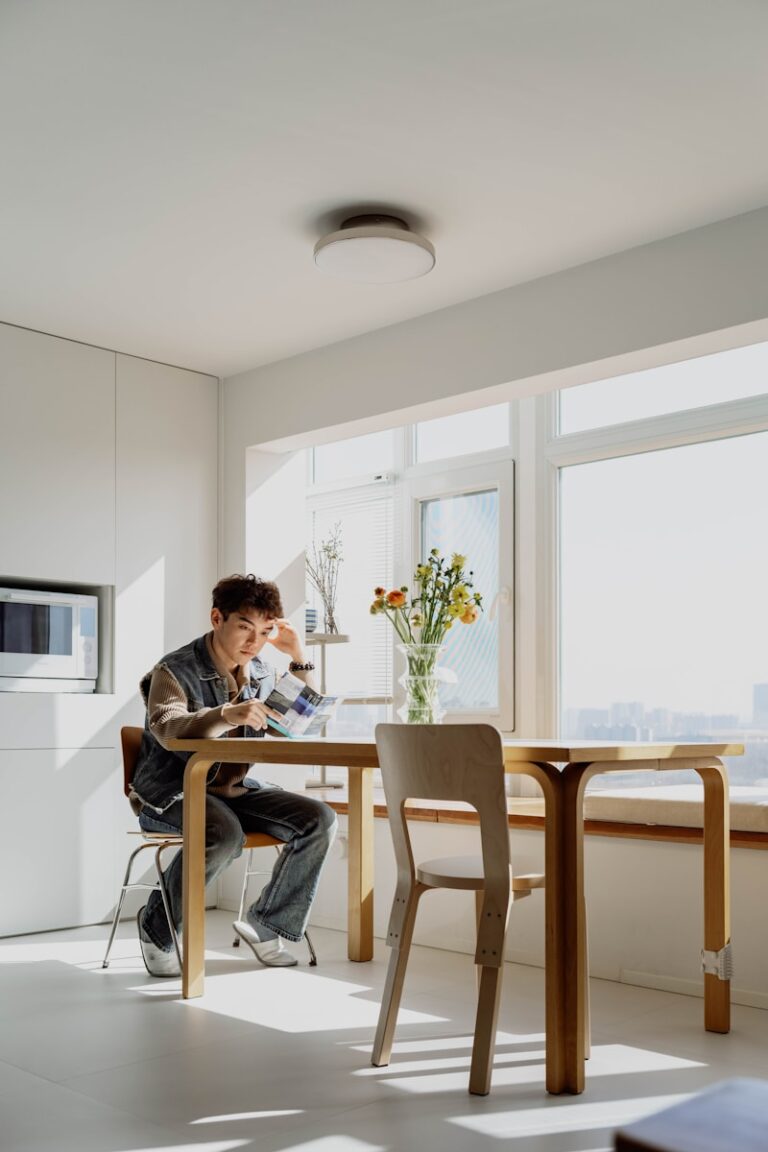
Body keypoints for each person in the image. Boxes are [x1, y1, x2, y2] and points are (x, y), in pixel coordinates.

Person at [130, 573, 337, 977]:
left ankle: (265, 923)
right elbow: (169, 728)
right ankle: (156, 927)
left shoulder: (259, 671)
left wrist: (298, 655)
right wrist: (225, 715)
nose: (253, 642)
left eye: (264, 632)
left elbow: (300, 722)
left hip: (231, 791)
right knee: (223, 833)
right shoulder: (172, 670)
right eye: (244, 627)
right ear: (216, 618)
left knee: (319, 819)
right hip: (170, 793)